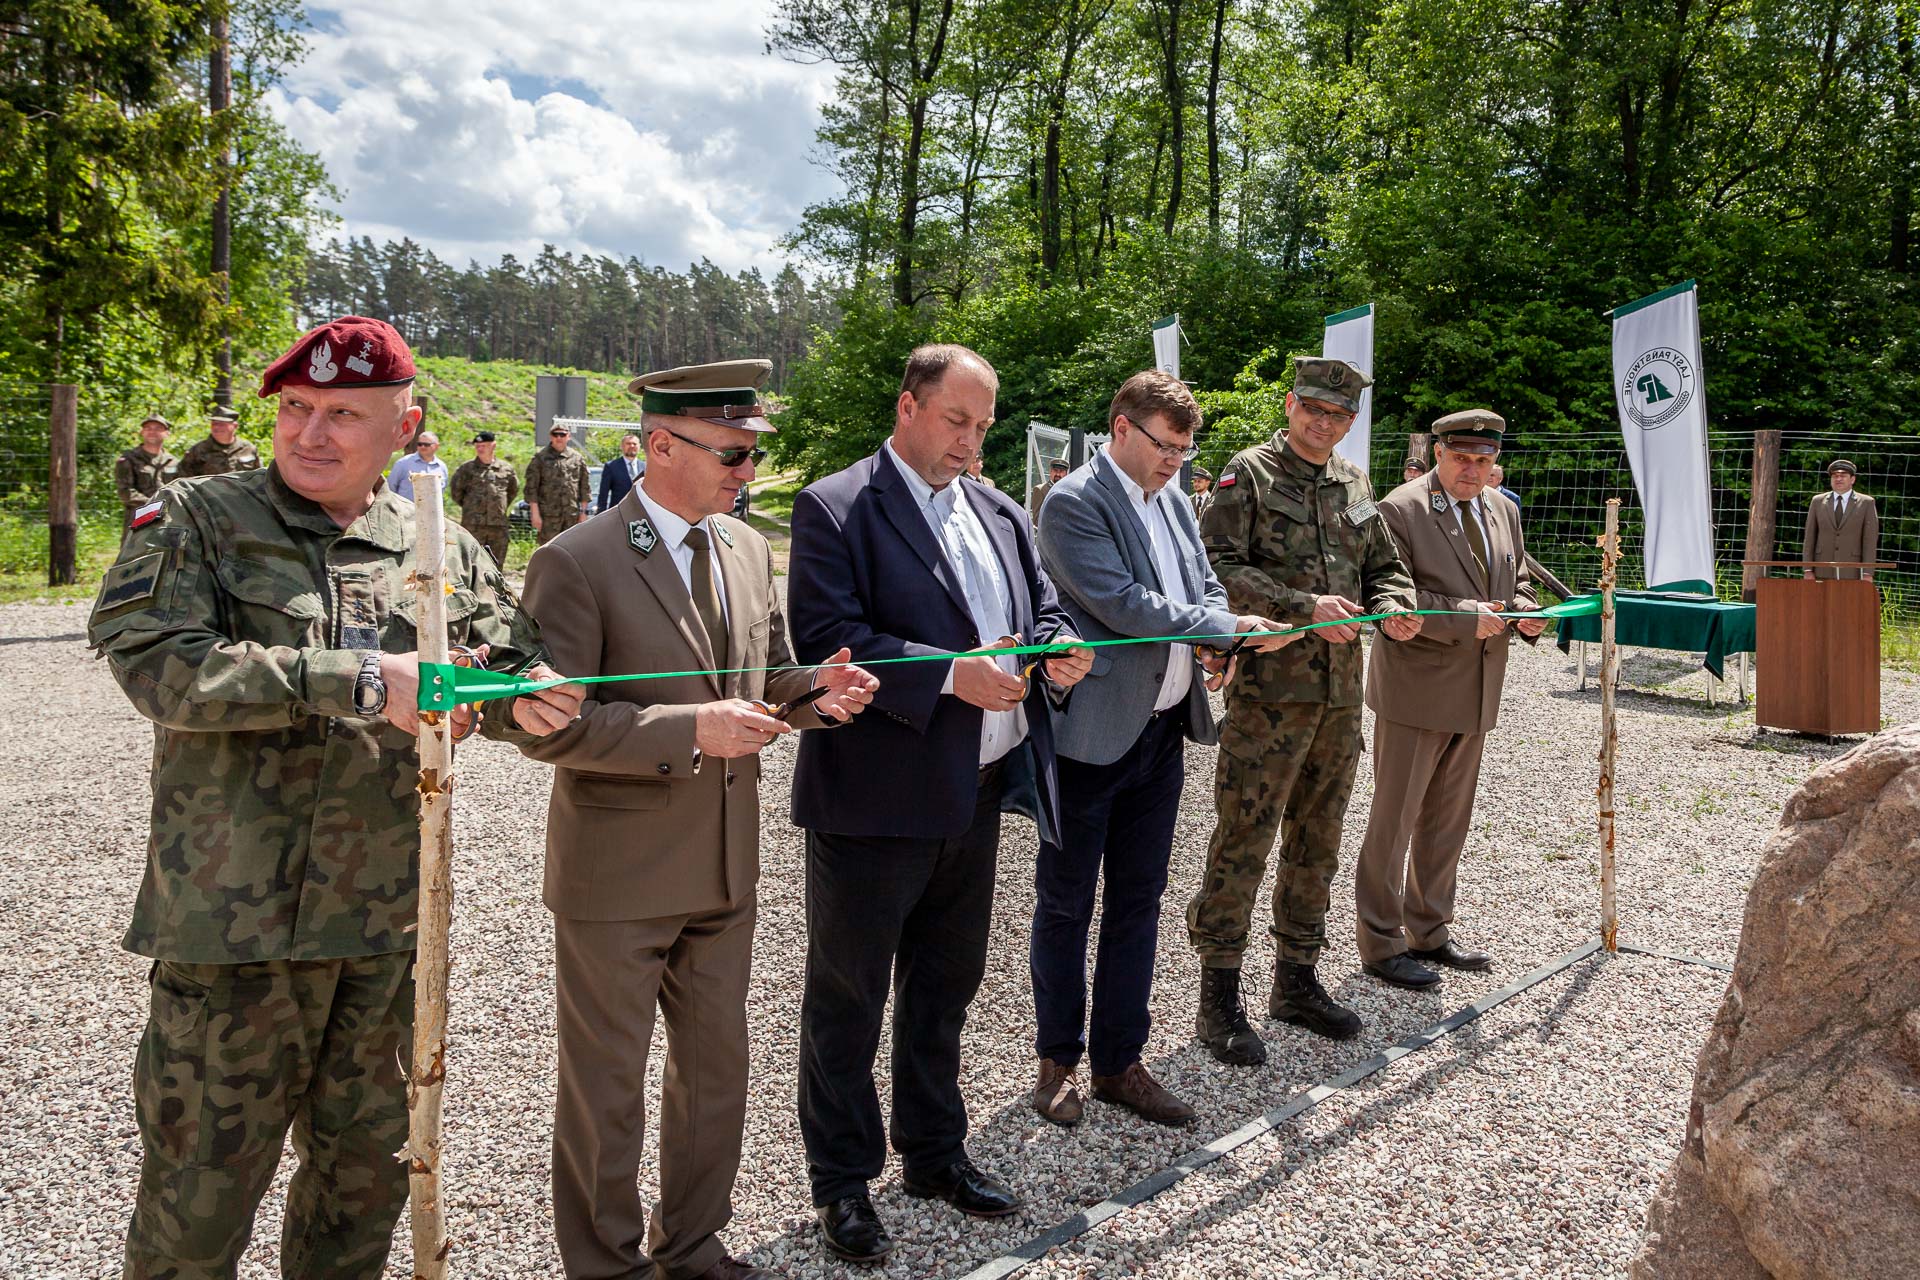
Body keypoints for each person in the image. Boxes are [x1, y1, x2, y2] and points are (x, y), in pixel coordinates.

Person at [86, 315, 582, 1280]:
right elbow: (154, 664)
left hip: (386, 930)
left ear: (404, 427)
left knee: (360, 1196)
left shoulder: (434, 541)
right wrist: (353, 679)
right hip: (235, 933)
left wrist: (527, 698)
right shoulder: (198, 517)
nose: (310, 433)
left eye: (343, 414)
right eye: (297, 409)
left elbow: (516, 666)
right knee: (197, 1206)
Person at [518, 359, 878, 1280]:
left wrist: (815, 695)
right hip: (619, 875)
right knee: (607, 1094)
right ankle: (606, 1265)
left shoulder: (747, 547)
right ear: (661, 444)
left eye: (754, 452)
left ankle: (695, 1247)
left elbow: (760, 684)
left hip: (724, 867)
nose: (748, 470)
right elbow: (552, 728)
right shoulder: (578, 559)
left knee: (715, 1078)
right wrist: (695, 730)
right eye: (733, 451)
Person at [786, 344, 1092, 1264]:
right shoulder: (836, 506)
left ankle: (932, 1151)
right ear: (909, 405)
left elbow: (1041, 608)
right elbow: (830, 636)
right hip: (876, 801)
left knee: (944, 990)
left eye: (984, 425)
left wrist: (1059, 646)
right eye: (957, 421)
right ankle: (843, 1183)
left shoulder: (999, 507)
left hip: (979, 791)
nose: (971, 441)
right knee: (848, 998)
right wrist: (949, 677)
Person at [1029, 370, 1292, 1129]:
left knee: (1138, 901)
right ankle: (1057, 1062)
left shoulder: (1173, 499)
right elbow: (1121, 603)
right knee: (1066, 903)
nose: (1177, 459)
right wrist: (1221, 631)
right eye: (1164, 444)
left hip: (1161, 730)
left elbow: (1205, 585)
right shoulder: (1075, 501)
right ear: (1120, 429)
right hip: (1090, 738)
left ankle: (1119, 1061)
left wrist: (1218, 630)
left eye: (1185, 447)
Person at [1186, 356, 1420, 1062]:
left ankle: (1296, 980)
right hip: (1269, 695)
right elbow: (1217, 568)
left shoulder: (1353, 481)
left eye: (1339, 415)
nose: (1325, 423)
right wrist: (1300, 609)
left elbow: (1386, 564)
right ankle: (1218, 996)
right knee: (1245, 838)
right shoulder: (1248, 474)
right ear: (1290, 405)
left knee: (1318, 840)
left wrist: (1393, 606)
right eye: (1314, 409)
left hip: (1340, 696)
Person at [1354, 410, 1544, 990]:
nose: (1473, 469)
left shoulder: (1503, 507)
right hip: (1417, 687)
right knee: (1396, 820)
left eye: (1484, 460)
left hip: (1477, 687)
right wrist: (1467, 618)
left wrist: (1527, 609)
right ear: (1438, 452)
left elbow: (1516, 577)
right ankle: (1381, 942)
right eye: (1462, 457)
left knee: (1446, 821)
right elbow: (1389, 589)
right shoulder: (1401, 508)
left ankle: (1429, 930)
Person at [449, 430, 519, 566]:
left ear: (493, 446)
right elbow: (456, 492)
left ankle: (495, 588)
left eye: (484, 446)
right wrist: (472, 508)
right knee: (471, 562)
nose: (480, 449)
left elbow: (512, 491)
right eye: (477, 446)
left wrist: (498, 507)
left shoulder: (506, 469)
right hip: (473, 525)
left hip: (498, 525)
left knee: (496, 564)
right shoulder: (466, 469)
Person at [1802, 459, 1878, 582]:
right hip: (1821, 569)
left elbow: (1869, 541)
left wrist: (1868, 572)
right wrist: (1807, 569)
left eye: (1843, 476)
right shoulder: (1817, 501)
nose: (1838, 479)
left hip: (1852, 571)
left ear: (1852, 479)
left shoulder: (1866, 503)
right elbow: (1810, 537)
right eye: (1835, 476)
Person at [114, 415, 178, 541]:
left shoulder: (174, 462)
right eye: (148, 428)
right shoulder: (128, 459)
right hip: (139, 518)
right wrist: (154, 506)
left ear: (167, 433)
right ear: (142, 432)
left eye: (158, 428)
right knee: (134, 558)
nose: (152, 431)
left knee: (166, 557)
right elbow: (125, 492)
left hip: (168, 520)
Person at [527, 422, 592, 544]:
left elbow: (584, 488)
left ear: (568, 436)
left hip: (571, 516)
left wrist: (583, 513)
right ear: (550, 436)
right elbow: (531, 488)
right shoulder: (540, 458)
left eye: (562, 434)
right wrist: (535, 514)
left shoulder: (577, 458)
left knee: (571, 550)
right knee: (548, 551)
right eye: (555, 434)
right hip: (548, 517)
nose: (559, 438)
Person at [175, 406, 262, 477]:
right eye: (214, 424)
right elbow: (182, 479)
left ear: (235, 426)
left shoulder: (248, 449)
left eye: (222, 424)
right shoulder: (198, 451)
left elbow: (259, 477)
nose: (217, 427)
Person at [385, 429, 447, 501]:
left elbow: (442, 491)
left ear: (436, 446)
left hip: (432, 511)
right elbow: (390, 488)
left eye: (426, 445)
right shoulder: (403, 463)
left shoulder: (441, 467)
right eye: (420, 444)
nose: (422, 447)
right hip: (405, 510)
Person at [598, 431, 644, 512]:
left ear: (639, 446)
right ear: (622, 446)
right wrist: (601, 514)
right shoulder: (611, 466)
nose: (632, 446)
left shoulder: (646, 467)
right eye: (628, 443)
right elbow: (603, 494)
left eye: (634, 444)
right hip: (619, 513)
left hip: (641, 513)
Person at [1028, 456, 1069, 522]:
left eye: (1061, 471)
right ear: (1050, 472)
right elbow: (1037, 519)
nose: (1058, 474)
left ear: (1066, 474)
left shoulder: (1068, 491)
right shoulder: (1040, 490)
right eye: (1055, 471)